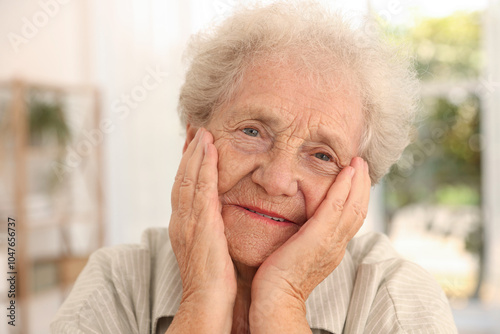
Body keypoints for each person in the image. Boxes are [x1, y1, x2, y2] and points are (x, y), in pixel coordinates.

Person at [51, 1, 458, 333]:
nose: (276, 180)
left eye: (321, 156)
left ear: (356, 188)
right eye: (252, 131)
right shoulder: (118, 280)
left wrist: (283, 301)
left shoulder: (397, 296)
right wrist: (201, 301)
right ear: (194, 140)